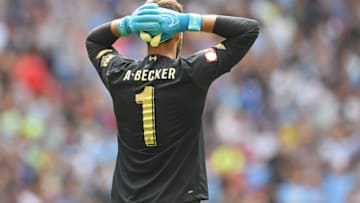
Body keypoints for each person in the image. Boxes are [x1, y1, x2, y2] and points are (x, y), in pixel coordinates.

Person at [85, 0, 259, 202]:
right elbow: (248, 30)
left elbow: (94, 41)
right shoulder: (189, 73)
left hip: (127, 198)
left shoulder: (119, 74)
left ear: (144, 34)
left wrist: (128, 24)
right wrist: (189, 21)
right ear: (178, 33)